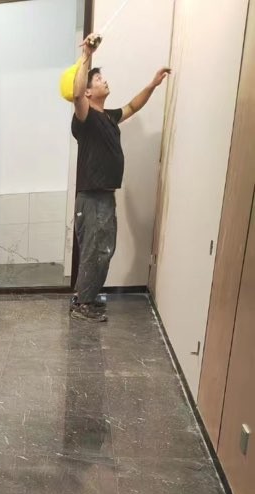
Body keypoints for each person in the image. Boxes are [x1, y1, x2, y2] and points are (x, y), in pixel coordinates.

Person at [70, 34, 170, 322]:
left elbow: (133, 106)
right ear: (89, 92)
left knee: (103, 250)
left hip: (105, 195)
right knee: (94, 251)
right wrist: (87, 56)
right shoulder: (85, 118)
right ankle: (81, 304)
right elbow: (76, 95)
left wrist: (152, 85)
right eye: (98, 79)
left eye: (102, 77)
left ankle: (87, 298)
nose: (104, 81)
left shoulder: (109, 117)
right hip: (92, 197)